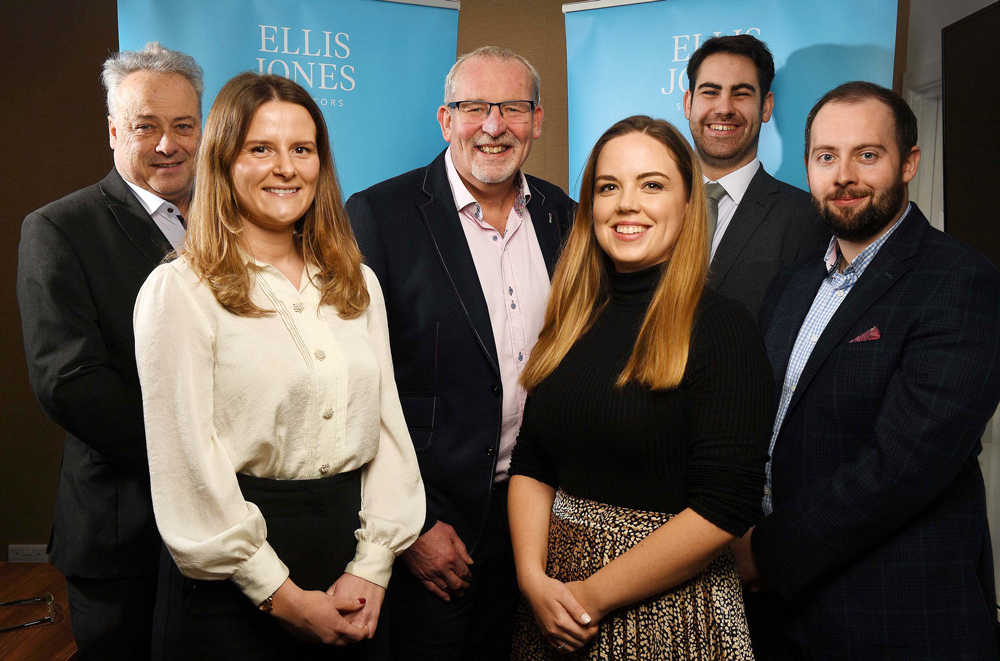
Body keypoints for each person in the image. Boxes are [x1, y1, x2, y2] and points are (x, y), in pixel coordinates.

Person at [133, 72, 424, 659]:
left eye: (303, 149)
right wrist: (281, 596)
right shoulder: (180, 291)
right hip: (233, 582)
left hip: (354, 563)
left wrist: (373, 566)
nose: (286, 167)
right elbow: (187, 462)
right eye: (260, 148)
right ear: (223, 160)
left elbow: (388, 433)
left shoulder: (356, 283)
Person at [742, 81, 1000, 659]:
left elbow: (903, 467)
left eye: (867, 154)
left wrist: (765, 551)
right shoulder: (793, 283)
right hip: (782, 613)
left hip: (893, 611)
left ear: (908, 162)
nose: (844, 176)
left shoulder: (960, 282)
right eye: (826, 157)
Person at [508, 115, 774, 659]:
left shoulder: (722, 327)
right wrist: (533, 581)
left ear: (687, 203)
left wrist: (590, 597)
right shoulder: (573, 319)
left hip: (669, 614)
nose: (626, 204)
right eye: (609, 187)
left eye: (652, 185)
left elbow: (725, 506)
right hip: (551, 605)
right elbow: (533, 463)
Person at [345, 46, 575, 659]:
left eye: (512, 108)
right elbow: (356, 386)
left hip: (539, 512)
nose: (494, 126)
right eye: (474, 108)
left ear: (538, 119)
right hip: (432, 520)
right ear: (446, 120)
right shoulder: (379, 216)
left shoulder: (564, 216)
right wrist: (409, 528)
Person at [16, 42, 202, 659]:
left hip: (235, 529)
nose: (168, 144)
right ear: (114, 130)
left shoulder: (233, 223)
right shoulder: (59, 229)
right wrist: (198, 460)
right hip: (125, 529)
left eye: (183, 126)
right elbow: (68, 381)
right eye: (147, 126)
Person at [683, 35, 828, 319]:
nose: (724, 108)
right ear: (689, 103)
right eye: (710, 92)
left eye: (741, 93)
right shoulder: (652, 204)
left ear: (766, 107)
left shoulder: (806, 219)